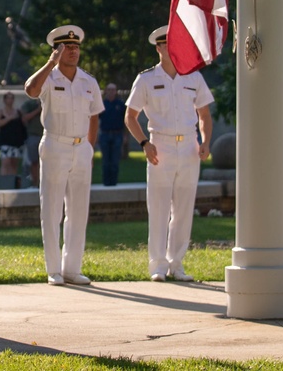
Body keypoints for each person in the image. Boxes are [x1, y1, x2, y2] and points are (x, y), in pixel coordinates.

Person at [124, 26, 214, 282]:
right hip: (159, 146)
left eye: (174, 43)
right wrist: (143, 143)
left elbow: (204, 114)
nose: (169, 48)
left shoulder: (193, 76)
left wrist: (206, 141)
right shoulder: (146, 79)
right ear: (158, 48)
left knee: (184, 209)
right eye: (165, 44)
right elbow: (130, 116)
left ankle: (177, 263)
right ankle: (158, 265)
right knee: (159, 207)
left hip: (188, 147)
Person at [24, 24, 103, 287]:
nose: (73, 51)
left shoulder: (88, 81)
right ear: (56, 50)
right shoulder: (49, 77)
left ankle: (72, 268)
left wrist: (89, 147)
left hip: (81, 148)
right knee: (52, 210)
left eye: (76, 47)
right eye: (67, 47)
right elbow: (31, 90)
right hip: (55, 145)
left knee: (79, 211)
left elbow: (94, 116)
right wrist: (50, 63)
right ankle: (54, 269)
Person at [98, 83, 127, 186]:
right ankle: (106, 183)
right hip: (105, 135)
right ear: (106, 91)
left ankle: (113, 183)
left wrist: (125, 136)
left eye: (113, 89)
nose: (111, 92)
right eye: (109, 89)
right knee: (106, 161)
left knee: (115, 161)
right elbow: (95, 120)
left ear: (116, 91)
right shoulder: (102, 104)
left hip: (117, 135)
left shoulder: (120, 104)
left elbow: (126, 121)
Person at [0, 92, 27, 176]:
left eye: (11, 98)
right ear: (4, 100)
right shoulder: (0, 112)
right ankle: (3, 182)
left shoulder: (18, 112)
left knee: (14, 164)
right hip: (5, 141)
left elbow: (24, 123)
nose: (10, 100)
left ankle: (13, 182)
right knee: (5, 162)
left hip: (16, 142)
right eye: (8, 98)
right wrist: (10, 118)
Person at [20, 97, 43, 186]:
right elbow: (24, 118)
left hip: (48, 135)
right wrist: (38, 110)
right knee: (34, 162)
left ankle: (44, 184)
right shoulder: (30, 104)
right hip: (33, 136)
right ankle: (35, 183)